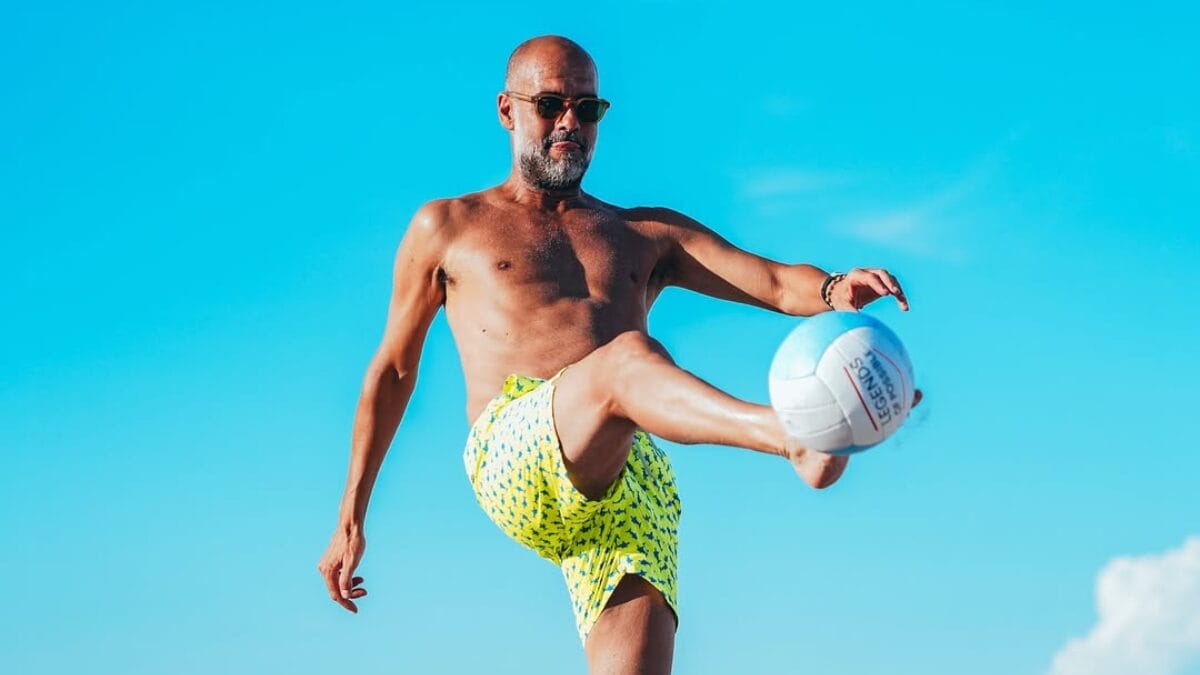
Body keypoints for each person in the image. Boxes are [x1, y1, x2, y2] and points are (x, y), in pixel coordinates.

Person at [317, 35, 920, 675]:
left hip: (629, 477)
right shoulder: (448, 226)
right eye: (550, 104)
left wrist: (832, 289)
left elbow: (770, 281)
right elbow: (395, 370)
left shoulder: (643, 235)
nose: (570, 124)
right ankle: (797, 435)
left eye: (588, 109)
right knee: (626, 361)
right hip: (513, 452)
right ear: (506, 110)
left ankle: (824, 431)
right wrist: (350, 517)